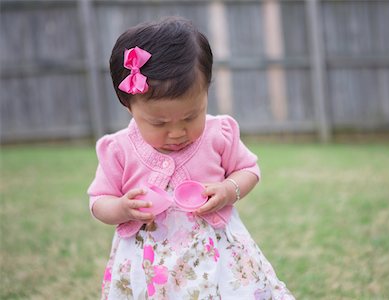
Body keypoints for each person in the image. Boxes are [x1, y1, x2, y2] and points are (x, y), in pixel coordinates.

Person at [88, 17, 294, 300]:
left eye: (190, 116)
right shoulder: (118, 149)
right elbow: (99, 201)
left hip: (217, 257)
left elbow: (248, 169)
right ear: (129, 105)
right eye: (159, 123)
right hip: (150, 265)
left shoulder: (219, 133)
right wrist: (122, 208)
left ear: (206, 93)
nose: (176, 132)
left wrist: (229, 189)